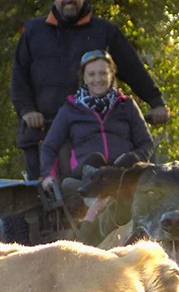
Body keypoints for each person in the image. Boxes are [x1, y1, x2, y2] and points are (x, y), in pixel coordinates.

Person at [10, 0, 170, 182]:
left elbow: (133, 69)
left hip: (91, 129)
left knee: (123, 180)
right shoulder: (32, 32)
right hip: (43, 129)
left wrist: (156, 102)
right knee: (41, 198)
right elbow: (19, 78)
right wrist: (27, 111)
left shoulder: (105, 31)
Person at [38, 50, 153, 189]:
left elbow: (146, 143)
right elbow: (49, 147)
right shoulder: (70, 109)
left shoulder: (127, 105)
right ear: (84, 78)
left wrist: (134, 157)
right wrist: (49, 176)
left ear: (111, 75)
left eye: (103, 73)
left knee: (129, 160)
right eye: (91, 74)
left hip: (122, 172)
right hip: (86, 175)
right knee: (95, 159)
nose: (98, 79)